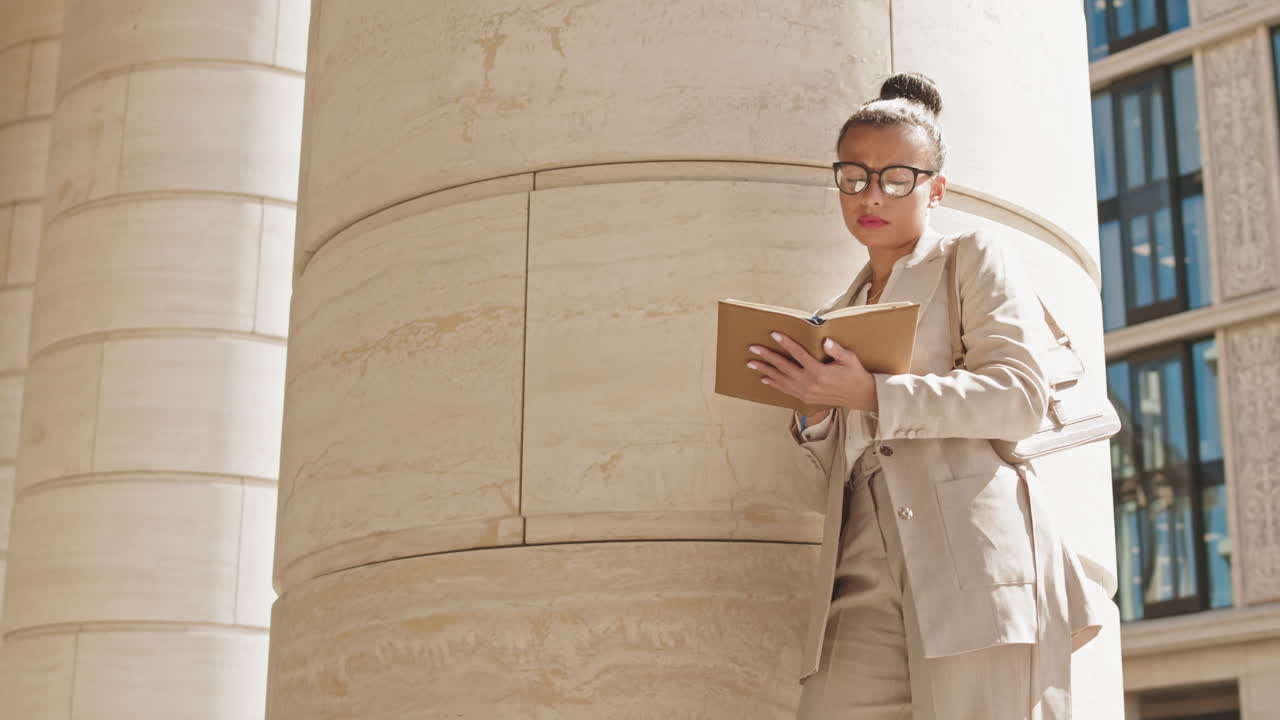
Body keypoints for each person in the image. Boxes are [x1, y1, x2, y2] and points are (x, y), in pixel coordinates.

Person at [745, 73, 1105, 720]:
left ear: (934, 189)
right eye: (854, 177)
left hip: (971, 548)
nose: (871, 194)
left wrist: (873, 392)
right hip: (859, 564)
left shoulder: (971, 255)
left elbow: (1019, 394)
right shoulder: (836, 314)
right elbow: (838, 469)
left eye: (896, 177)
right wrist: (818, 414)